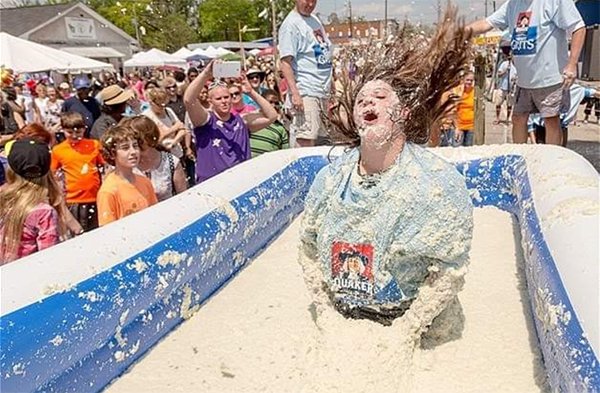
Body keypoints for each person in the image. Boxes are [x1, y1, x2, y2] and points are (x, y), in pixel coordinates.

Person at [300, 9, 473, 330]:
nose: (368, 103)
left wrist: (406, 332)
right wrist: (325, 312)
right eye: (361, 101)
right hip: (341, 314)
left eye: (379, 97)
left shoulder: (437, 182)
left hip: (413, 320)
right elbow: (307, 248)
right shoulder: (329, 180)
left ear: (403, 113)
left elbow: (450, 270)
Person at [467, 0, 586, 146]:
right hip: (524, 81)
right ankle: (520, 154)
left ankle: (553, 159)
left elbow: (578, 27)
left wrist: (572, 64)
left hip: (550, 78)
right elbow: (487, 23)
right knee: (517, 118)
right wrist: (461, 31)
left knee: (551, 119)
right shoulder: (512, 4)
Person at [183, 61, 279, 183]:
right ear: (210, 101)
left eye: (226, 97)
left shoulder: (242, 121)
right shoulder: (205, 120)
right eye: (218, 99)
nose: (224, 101)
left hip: (239, 182)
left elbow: (272, 116)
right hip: (212, 184)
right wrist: (206, 74)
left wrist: (251, 92)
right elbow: (188, 100)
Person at [0, 138, 66, 263]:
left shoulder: (3, 198)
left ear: (11, 170)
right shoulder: (43, 211)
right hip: (28, 276)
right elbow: (49, 257)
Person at [279, 0, 333, 147]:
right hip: (306, 89)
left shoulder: (314, 20)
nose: (310, 4)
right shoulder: (291, 25)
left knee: (322, 137)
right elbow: (285, 62)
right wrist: (295, 93)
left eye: (313, 1)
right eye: (306, 0)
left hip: (322, 89)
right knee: (306, 136)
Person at [51, 112, 105, 232]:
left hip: (95, 197)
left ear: (84, 130)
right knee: (78, 233)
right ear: (63, 130)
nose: (74, 135)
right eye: (70, 132)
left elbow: (104, 166)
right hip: (73, 200)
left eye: (78, 132)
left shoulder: (94, 145)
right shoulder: (58, 150)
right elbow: (54, 174)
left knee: (97, 231)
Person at [97, 125, 158, 226]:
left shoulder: (145, 182)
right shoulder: (108, 191)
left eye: (135, 146)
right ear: (112, 154)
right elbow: (107, 231)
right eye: (125, 148)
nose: (133, 152)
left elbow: (155, 214)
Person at [125, 115, 187, 201]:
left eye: (136, 140)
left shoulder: (171, 162)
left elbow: (183, 197)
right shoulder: (126, 165)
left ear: (148, 137)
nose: (132, 146)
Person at [143, 88, 188, 160]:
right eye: (159, 105)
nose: (162, 107)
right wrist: (174, 128)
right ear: (151, 103)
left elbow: (182, 128)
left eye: (164, 104)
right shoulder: (147, 117)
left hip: (177, 152)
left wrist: (174, 142)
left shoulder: (168, 111)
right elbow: (157, 139)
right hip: (161, 157)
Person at [249, 89, 290, 157]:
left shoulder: (281, 128)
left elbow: (285, 153)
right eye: (270, 102)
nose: (273, 106)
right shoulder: (252, 122)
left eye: (276, 103)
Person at [452, 72, 476, 147]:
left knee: (468, 152)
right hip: (459, 126)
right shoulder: (457, 90)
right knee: (457, 150)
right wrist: (456, 127)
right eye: (467, 80)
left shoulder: (474, 91)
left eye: (471, 80)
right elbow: (453, 110)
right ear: (463, 80)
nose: (469, 82)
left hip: (471, 126)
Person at [494, 54, 517, 124]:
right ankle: (497, 118)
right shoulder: (505, 64)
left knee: (509, 105)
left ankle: (507, 118)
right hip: (502, 87)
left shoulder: (517, 66)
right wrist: (505, 70)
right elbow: (499, 74)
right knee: (498, 103)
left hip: (511, 89)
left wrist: (515, 79)